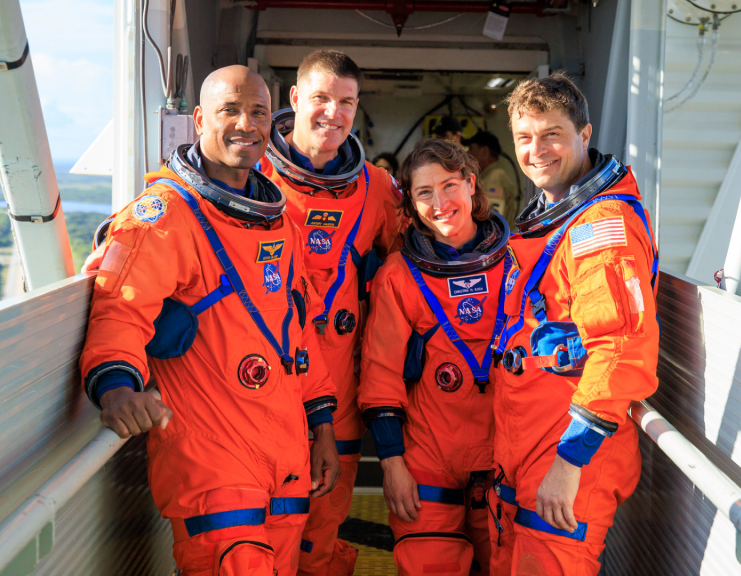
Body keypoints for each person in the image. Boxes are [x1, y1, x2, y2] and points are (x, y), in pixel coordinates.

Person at [80, 66, 341, 576]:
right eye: (230, 110)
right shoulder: (165, 215)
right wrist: (115, 387)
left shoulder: (278, 217)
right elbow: (121, 309)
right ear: (199, 119)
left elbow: (297, 331)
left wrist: (322, 426)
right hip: (212, 462)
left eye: (259, 112)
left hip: (287, 456)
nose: (247, 123)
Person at [489, 72, 659, 575]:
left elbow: (621, 347)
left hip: (567, 450)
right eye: (524, 138)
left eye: (551, 135)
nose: (536, 150)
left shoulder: (599, 226)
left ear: (584, 135)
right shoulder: (561, 217)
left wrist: (570, 461)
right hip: (531, 440)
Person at [259, 50, 406, 576]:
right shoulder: (246, 179)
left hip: (339, 392)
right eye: (321, 98)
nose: (333, 113)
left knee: (320, 536)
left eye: (346, 102)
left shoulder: (378, 191)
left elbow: (414, 275)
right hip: (259, 389)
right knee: (258, 538)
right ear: (295, 99)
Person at [358, 139, 511, 575]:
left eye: (449, 186)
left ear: (471, 184)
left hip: (504, 455)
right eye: (424, 193)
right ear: (410, 202)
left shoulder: (518, 262)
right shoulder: (398, 277)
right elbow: (381, 375)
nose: (440, 202)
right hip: (429, 456)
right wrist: (391, 463)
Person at [464, 130, 520, 224]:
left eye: (471, 149)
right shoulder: (490, 175)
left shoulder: (495, 177)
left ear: (484, 151)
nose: (468, 154)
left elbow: (493, 219)